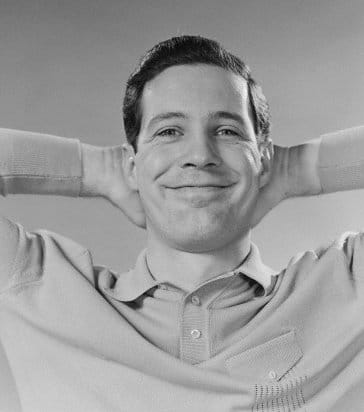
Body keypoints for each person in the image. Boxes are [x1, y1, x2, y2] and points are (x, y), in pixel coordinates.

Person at [0, 35, 363, 412]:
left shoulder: (347, 289)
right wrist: (99, 171)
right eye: (168, 131)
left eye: (227, 131)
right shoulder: (41, 288)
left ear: (262, 160)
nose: (199, 156)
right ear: (131, 164)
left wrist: (291, 171)